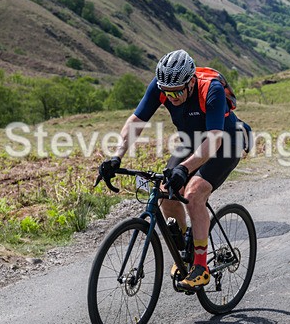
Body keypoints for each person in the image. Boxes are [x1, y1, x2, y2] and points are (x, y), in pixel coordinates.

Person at [97, 50, 250, 290]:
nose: (173, 97)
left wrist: (185, 168)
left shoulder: (211, 90)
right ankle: (184, 251)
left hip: (225, 143)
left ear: (191, 82)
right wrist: (116, 156)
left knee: (193, 194)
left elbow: (213, 142)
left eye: (178, 91)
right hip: (191, 142)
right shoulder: (162, 87)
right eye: (167, 93)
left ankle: (201, 266)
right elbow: (136, 121)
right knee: (165, 191)